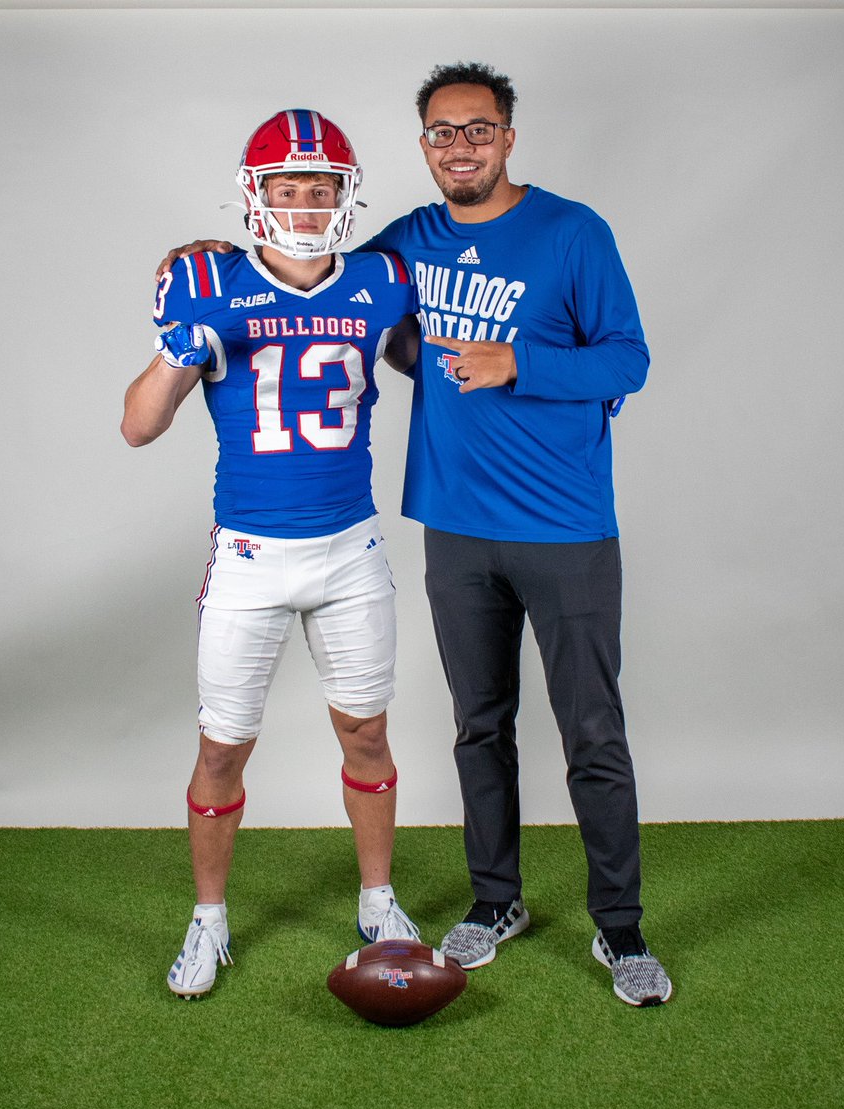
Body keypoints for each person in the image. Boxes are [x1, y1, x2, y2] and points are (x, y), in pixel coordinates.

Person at [157, 64, 672, 1008]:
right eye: (442, 132)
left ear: (509, 137)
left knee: (590, 731)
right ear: (424, 144)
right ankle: (494, 903)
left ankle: (620, 928)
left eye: (479, 130)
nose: (461, 146)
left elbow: (628, 358)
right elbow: (305, 265)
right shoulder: (405, 246)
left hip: (565, 525)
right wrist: (210, 256)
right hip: (454, 525)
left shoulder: (572, 231)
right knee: (480, 728)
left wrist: (523, 359)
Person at [123, 109, 421, 999]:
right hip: (251, 558)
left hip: (351, 551)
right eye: (287, 187)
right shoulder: (208, 285)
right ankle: (208, 919)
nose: (303, 202)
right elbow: (138, 426)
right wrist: (180, 349)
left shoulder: (379, 280)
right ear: (256, 197)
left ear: (345, 194)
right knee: (222, 749)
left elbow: (441, 373)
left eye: (319, 187)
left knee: (365, 731)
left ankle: (378, 897)